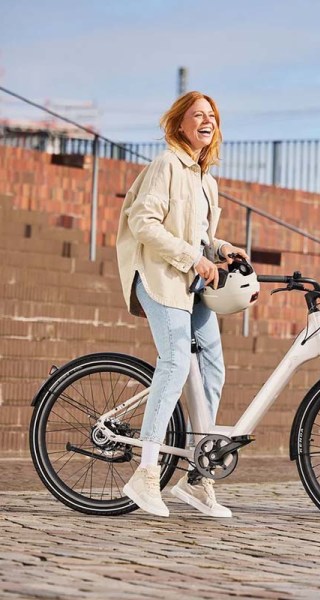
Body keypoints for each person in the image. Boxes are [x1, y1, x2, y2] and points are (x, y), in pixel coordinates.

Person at [116, 91, 249, 518]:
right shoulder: (166, 166)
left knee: (213, 369)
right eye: (198, 116)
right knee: (174, 362)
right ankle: (147, 473)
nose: (206, 122)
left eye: (212, 116)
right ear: (180, 124)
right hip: (159, 278)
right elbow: (143, 222)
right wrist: (193, 257)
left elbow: (202, 237)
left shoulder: (205, 179)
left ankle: (198, 478)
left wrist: (223, 248)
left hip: (191, 284)